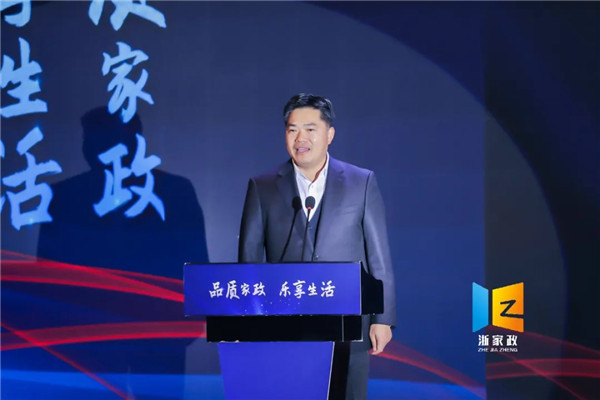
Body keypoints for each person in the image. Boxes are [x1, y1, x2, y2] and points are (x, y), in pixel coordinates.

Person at [238, 93, 396, 399]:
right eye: (292, 130)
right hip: (286, 323)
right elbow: (249, 260)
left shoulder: (361, 182)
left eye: (310, 129)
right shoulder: (262, 186)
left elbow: (379, 258)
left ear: (329, 134)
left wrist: (383, 318)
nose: (301, 138)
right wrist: (248, 321)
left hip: (349, 323)